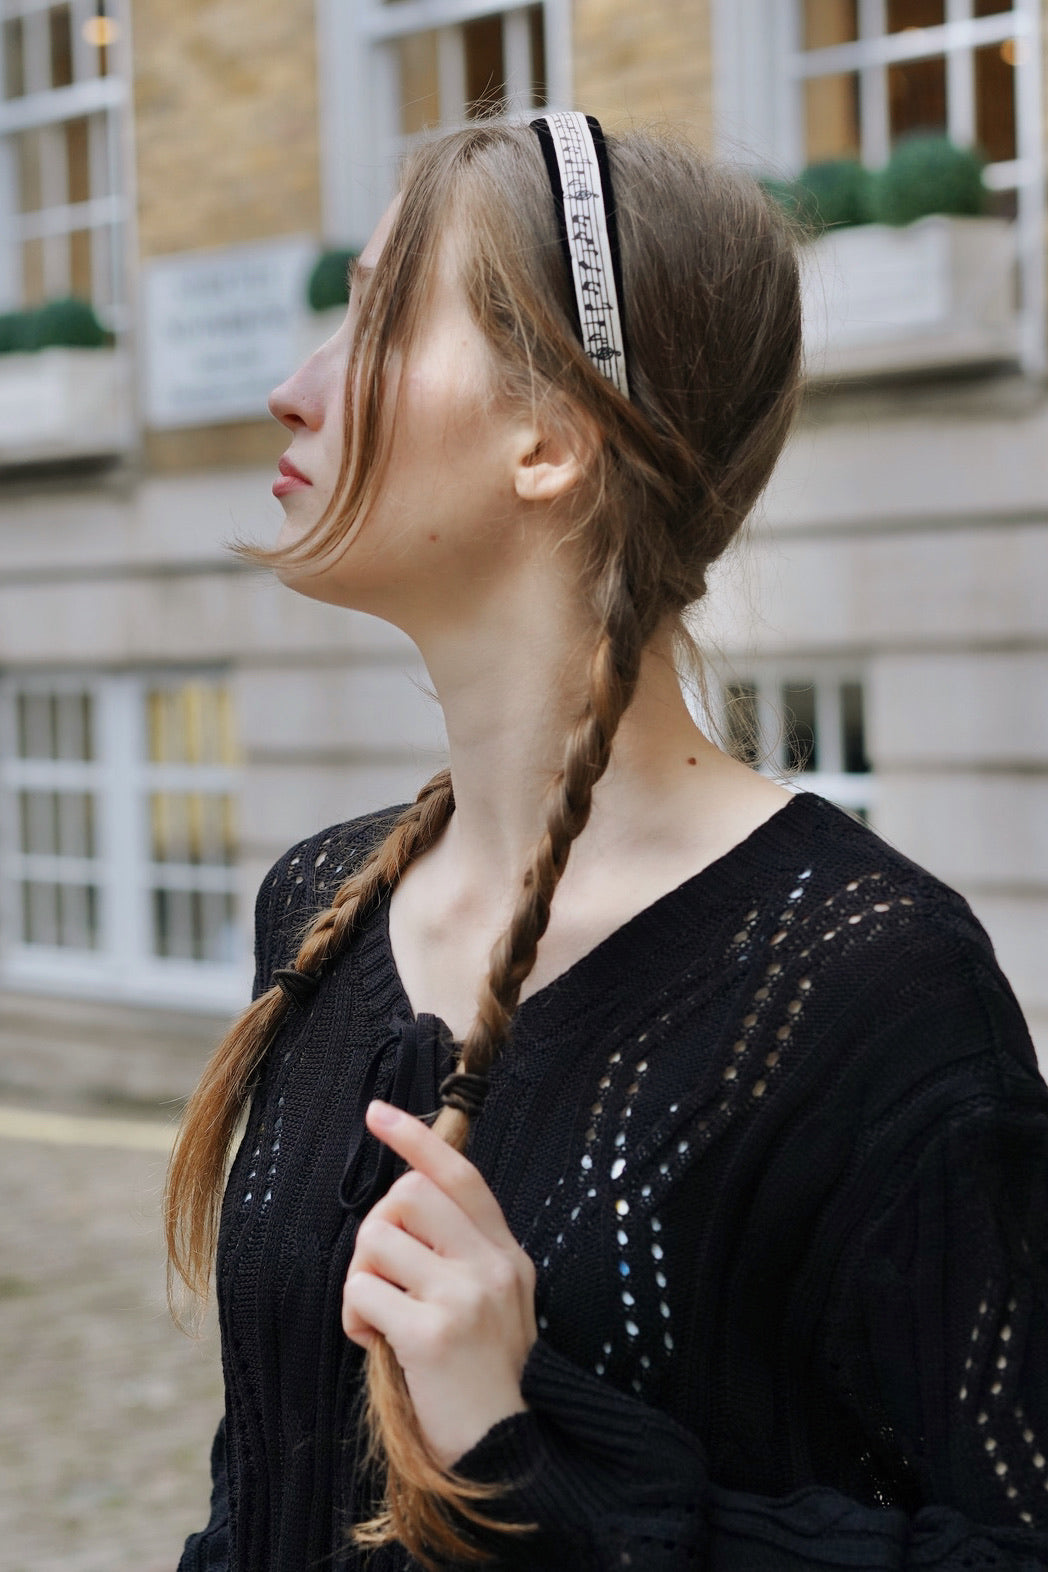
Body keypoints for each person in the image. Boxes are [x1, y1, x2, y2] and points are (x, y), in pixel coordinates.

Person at [169, 113, 1048, 1572]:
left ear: (553, 436)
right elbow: (261, 1485)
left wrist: (533, 1460)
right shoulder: (322, 904)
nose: (293, 387)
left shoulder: (864, 983)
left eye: (378, 320)